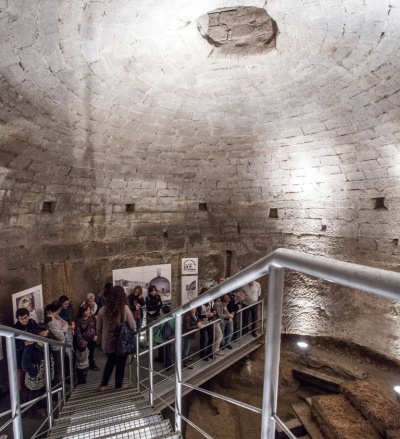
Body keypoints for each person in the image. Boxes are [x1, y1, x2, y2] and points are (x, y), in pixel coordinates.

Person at [96, 286, 136, 390]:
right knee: (120, 365)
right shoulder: (125, 308)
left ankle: (104, 384)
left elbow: (98, 329)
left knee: (110, 362)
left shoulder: (102, 310)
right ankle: (118, 386)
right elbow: (133, 326)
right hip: (122, 343)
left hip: (108, 342)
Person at [22, 323, 54, 419]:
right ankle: (32, 412)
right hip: (35, 377)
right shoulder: (30, 347)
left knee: (41, 390)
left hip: (44, 374)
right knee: (33, 394)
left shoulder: (46, 343)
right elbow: (25, 364)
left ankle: (41, 404)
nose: (48, 331)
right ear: (39, 333)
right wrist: (35, 373)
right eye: (45, 330)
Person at [13, 308, 37, 405]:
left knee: (31, 379)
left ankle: (31, 403)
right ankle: (22, 405)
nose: (24, 320)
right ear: (18, 319)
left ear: (29, 316)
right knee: (21, 382)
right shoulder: (15, 328)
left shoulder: (32, 322)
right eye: (21, 318)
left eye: (25, 317)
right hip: (20, 358)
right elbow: (13, 345)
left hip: (32, 355)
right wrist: (24, 343)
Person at [44, 300, 68, 386]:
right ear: (59, 309)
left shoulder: (57, 316)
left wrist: (62, 328)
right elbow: (60, 336)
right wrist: (63, 328)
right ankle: (58, 392)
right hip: (56, 348)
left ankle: (61, 387)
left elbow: (66, 323)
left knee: (61, 367)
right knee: (58, 370)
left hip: (61, 345)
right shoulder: (50, 321)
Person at [76, 304, 100, 371]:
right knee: (85, 353)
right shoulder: (79, 321)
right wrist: (82, 341)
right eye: (86, 311)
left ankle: (92, 365)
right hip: (84, 340)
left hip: (92, 338)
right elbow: (78, 332)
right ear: (82, 312)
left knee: (91, 353)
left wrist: (96, 335)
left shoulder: (92, 318)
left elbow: (96, 326)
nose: (88, 312)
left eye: (89, 310)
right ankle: (84, 366)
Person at [154, 304, 175, 371]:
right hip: (170, 337)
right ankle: (168, 365)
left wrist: (154, 333)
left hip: (160, 338)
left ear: (162, 311)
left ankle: (161, 358)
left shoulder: (161, 318)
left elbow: (156, 328)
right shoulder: (173, 318)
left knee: (160, 348)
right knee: (168, 351)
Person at [197, 288, 216, 361]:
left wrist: (213, 312)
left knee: (211, 337)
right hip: (202, 322)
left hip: (209, 322)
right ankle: (202, 354)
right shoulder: (199, 303)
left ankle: (209, 352)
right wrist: (206, 315)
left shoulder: (210, 301)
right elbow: (197, 315)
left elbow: (211, 309)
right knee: (203, 338)